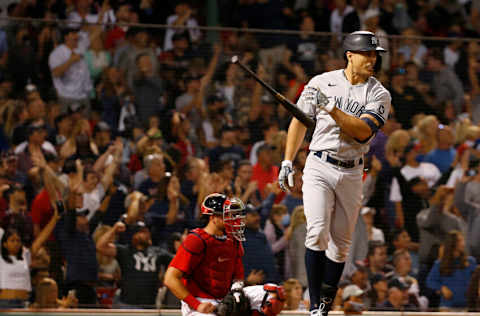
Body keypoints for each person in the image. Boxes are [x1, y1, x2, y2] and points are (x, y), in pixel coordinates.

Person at [279, 31, 391, 316]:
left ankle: (326, 303)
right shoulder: (321, 82)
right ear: (350, 55)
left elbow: (362, 131)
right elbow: (299, 121)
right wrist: (287, 161)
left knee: (341, 247)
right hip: (319, 165)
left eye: (375, 54)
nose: (372, 59)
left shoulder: (379, 93)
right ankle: (316, 304)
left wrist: (330, 107)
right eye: (367, 53)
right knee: (316, 233)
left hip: (353, 172)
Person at [164, 193, 246, 315]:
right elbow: (170, 279)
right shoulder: (196, 239)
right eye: (227, 215)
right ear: (212, 217)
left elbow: (238, 274)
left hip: (225, 299)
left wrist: (237, 290)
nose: (233, 219)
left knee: (272, 294)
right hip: (199, 301)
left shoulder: (233, 239)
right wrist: (197, 305)